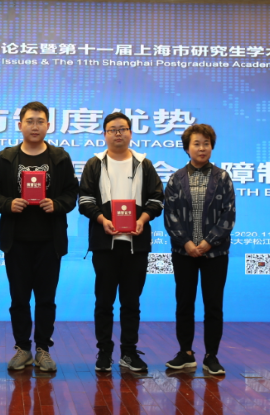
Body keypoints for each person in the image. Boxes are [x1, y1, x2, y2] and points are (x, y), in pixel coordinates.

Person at [0, 101, 79, 372]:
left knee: (46, 299)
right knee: (19, 299)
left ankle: (43, 349)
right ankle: (22, 348)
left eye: (40, 121)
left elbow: (71, 193)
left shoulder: (59, 157)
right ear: (20, 125)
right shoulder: (6, 157)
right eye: (29, 121)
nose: (35, 126)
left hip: (50, 240)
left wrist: (57, 204)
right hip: (16, 240)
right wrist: (8, 204)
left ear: (48, 125)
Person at [78, 112, 164, 372]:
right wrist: (103, 220)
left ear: (130, 133)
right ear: (104, 134)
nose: (118, 133)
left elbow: (157, 199)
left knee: (131, 303)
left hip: (136, 244)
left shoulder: (144, 164)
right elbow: (85, 201)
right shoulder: (94, 164)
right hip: (105, 245)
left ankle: (129, 352)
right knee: (104, 302)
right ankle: (104, 352)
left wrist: (143, 219)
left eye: (123, 129)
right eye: (112, 129)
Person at [163, 124, 236, 375]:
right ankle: (185, 353)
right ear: (187, 148)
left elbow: (228, 214)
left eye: (206, 143)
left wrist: (208, 242)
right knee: (184, 303)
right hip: (184, 252)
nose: (202, 148)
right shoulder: (176, 178)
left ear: (212, 147)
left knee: (213, 305)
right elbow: (170, 215)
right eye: (196, 143)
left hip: (215, 253)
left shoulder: (222, 177)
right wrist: (186, 242)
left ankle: (211, 356)